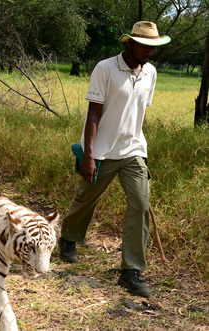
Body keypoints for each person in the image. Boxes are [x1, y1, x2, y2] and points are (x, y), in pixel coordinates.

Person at [58, 21, 171, 298]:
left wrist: (142, 155)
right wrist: (89, 156)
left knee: (140, 205)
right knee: (86, 198)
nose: (149, 53)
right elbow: (94, 114)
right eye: (145, 46)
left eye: (153, 48)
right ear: (129, 43)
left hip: (133, 150)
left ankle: (131, 270)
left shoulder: (151, 72)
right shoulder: (105, 69)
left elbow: (138, 115)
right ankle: (68, 239)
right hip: (102, 150)